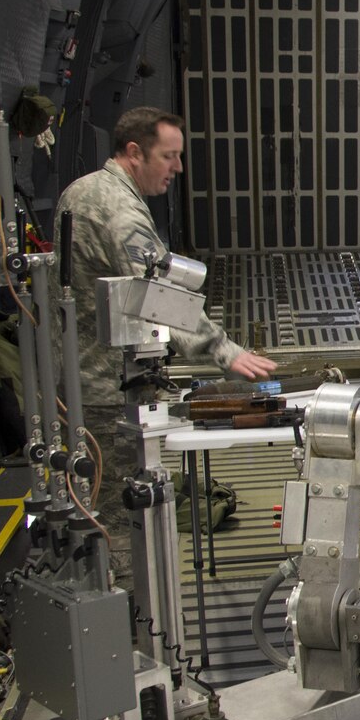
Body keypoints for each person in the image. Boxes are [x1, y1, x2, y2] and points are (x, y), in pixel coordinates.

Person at [56, 106, 276, 586]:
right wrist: (226, 354)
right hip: (107, 394)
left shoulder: (84, 190)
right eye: (169, 156)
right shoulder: (117, 208)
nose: (177, 168)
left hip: (81, 382)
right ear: (135, 152)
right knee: (118, 523)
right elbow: (159, 296)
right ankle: (130, 636)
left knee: (93, 510)